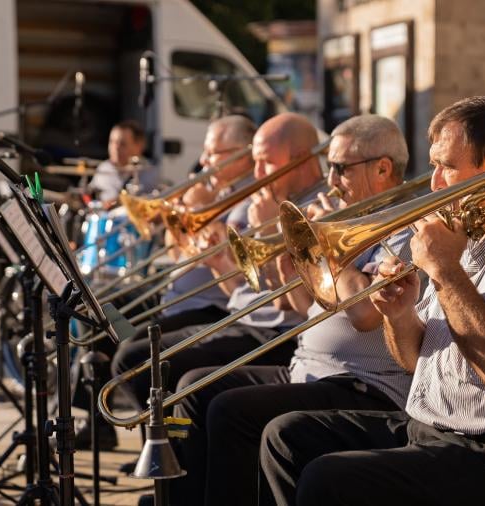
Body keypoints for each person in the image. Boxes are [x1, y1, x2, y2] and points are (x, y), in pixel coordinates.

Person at [259, 96, 485, 505]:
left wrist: (445, 271)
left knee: (330, 478)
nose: (434, 183)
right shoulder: (468, 236)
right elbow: (415, 360)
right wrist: (398, 313)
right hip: (436, 431)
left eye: (446, 166)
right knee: (285, 437)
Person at [169, 115, 415, 506]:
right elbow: (308, 309)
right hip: (309, 366)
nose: (330, 181)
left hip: (364, 383)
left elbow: (367, 314)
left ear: (383, 168)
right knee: (195, 390)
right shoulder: (348, 217)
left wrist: (327, 253)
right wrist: (297, 261)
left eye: (340, 169)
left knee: (231, 411)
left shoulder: (406, 228)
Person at [109, 112, 324, 418]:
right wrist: (204, 250)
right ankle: (161, 448)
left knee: (145, 363)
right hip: (237, 313)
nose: (258, 171)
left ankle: (168, 449)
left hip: (263, 326)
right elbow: (235, 282)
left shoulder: (295, 204)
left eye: (265, 161)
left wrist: (268, 233)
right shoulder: (263, 198)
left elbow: (288, 299)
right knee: (121, 337)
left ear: (301, 158)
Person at [76, 115, 257, 451]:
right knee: (100, 320)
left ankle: (161, 448)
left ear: (244, 153)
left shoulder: (245, 198)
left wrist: (200, 213)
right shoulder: (217, 191)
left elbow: (234, 270)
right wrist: (180, 225)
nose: (203, 161)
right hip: (175, 298)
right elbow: (179, 255)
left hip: (209, 307)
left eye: (213, 153)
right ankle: (102, 424)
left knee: (133, 356)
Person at [88, 120, 160, 203]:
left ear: (139, 145)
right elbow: (89, 197)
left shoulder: (151, 174)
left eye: (122, 144)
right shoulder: (103, 168)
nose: (116, 148)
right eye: (112, 142)